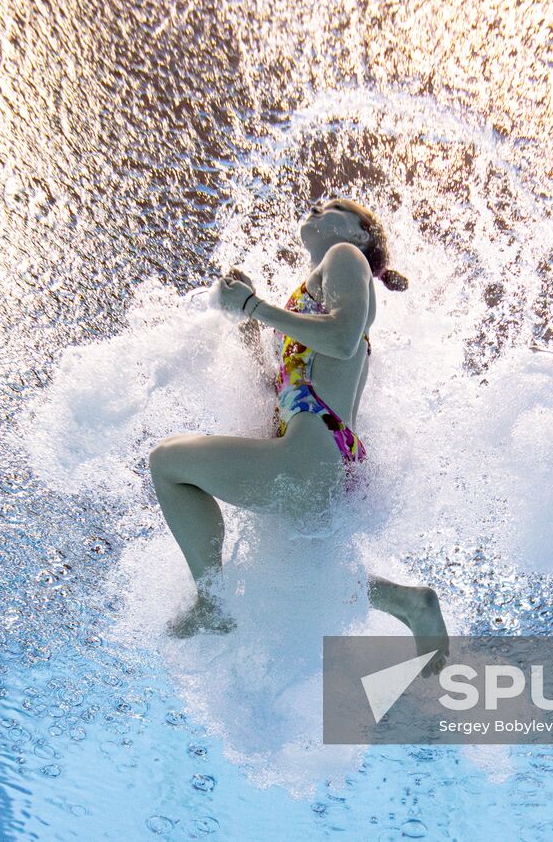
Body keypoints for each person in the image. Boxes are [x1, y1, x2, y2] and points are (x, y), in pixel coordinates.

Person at [148, 198, 448, 673]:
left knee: (167, 464)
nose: (315, 206)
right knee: (291, 582)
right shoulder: (309, 297)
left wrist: (253, 306)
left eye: (333, 206)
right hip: (324, 462)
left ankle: (211, 602)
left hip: (312, 454)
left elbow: (342, 337)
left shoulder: (344, 257)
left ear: (361, 234)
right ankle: (409, 603)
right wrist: (248, 325)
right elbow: (278, 382)